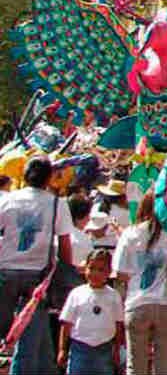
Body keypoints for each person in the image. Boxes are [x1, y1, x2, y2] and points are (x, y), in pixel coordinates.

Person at [0, 156, 72, 374]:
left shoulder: (8, 200)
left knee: (32, 338)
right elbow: (65, 243)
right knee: (28, 340)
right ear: (49, 178)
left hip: (5, 273)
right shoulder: (56, 204)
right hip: (38, 279)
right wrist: (65, 272)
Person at [113, 191, 167, 375]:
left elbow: (120, 272)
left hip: (137, 303)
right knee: (164, 366)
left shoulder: (130, 233)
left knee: (136, 366)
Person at [58, 249, 125, 375]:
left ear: (109, 272)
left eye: (101, 270)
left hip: (104, 349)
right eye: (91, 268)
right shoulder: (76, 293)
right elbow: (66, 323)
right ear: (85, 269)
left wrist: (116, 350)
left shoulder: (113, 296)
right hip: (79, 349)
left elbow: (118, 324)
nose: (95, 273)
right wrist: (62, 349)